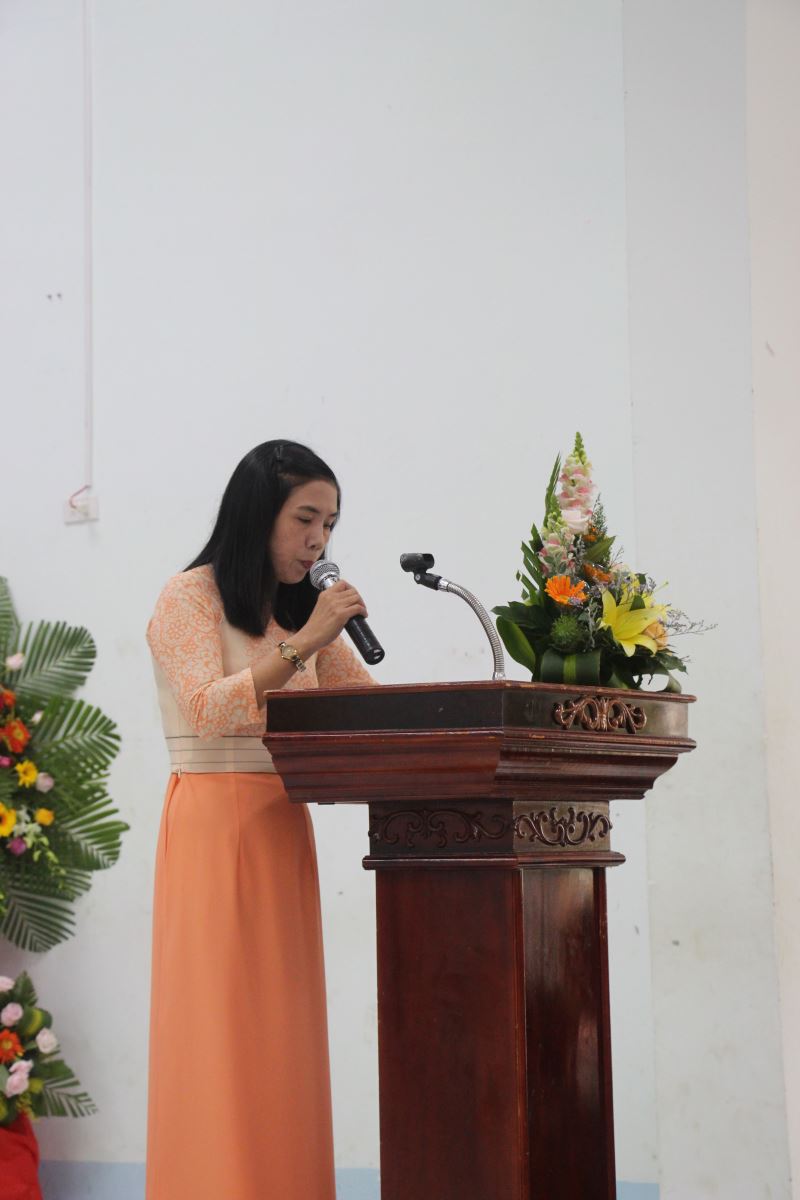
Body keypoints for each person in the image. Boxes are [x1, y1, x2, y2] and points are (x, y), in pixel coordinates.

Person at [145, 439, 376, 1200]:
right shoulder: (189, 598)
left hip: (281, 827)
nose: (318, 540)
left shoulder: (300, 611)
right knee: (218, 1032)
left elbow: (369, 710)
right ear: (257, 514)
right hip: (213, 831)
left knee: (282, 1035)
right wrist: (305, 644)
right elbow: (209, 710)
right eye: (305, 519)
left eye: (330, 525)